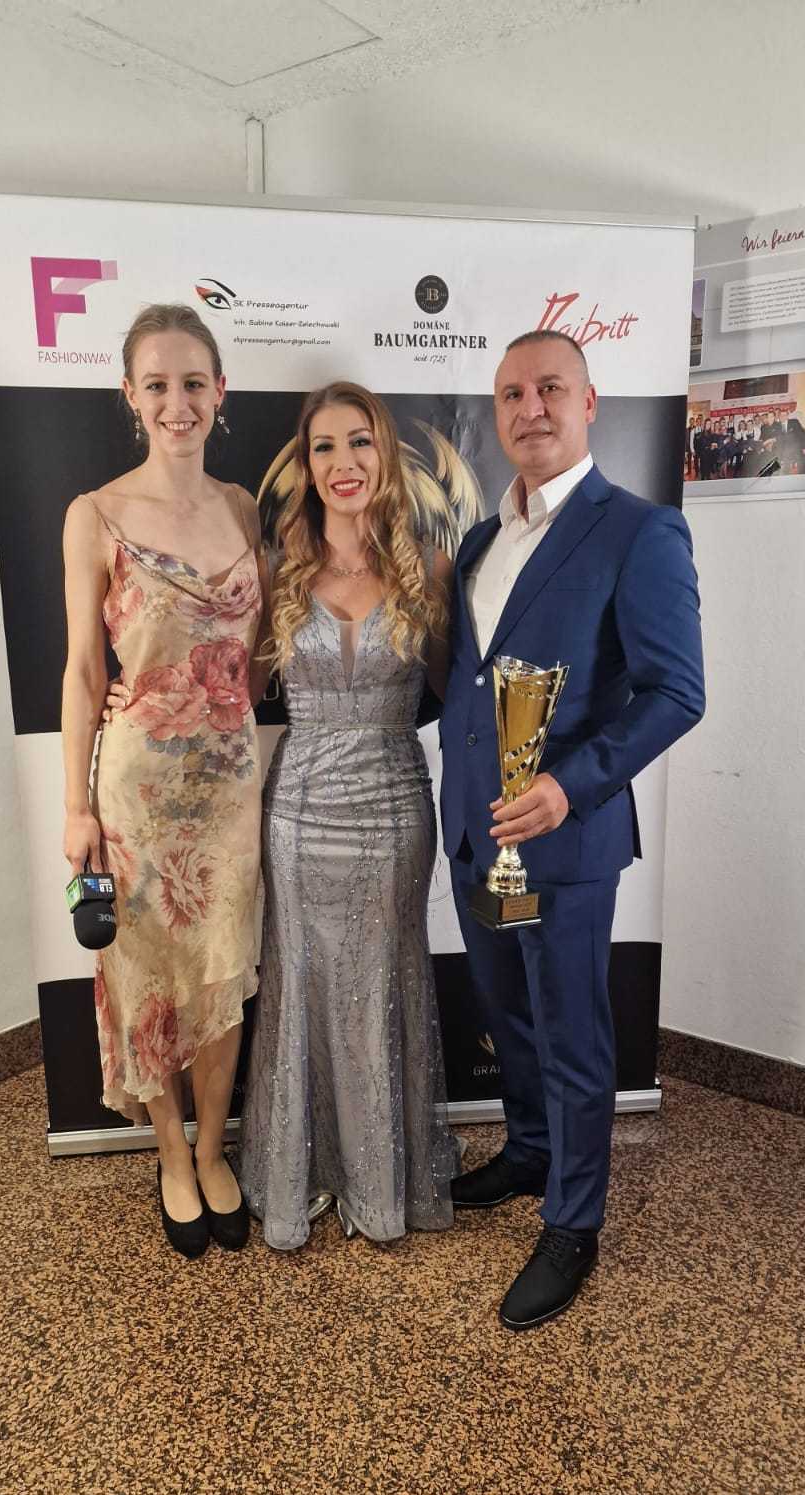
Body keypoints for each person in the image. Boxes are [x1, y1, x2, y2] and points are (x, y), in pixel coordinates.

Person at [440, 330, 704, 1330]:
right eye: (512, 393)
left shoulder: (639, 532)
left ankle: (573, 1223)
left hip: (566, 838)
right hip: (479, 833)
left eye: (551, 387)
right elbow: (465, 685)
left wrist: (569, 786)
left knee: (573, 1033)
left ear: (589, 403)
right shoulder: (478, 541)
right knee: (508, 1013)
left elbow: (677, 692)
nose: (530, 408)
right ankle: (530, 1150)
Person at [61, 302, 265, 1260]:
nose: (176, 403)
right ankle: (172, 1157)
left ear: (219, 392)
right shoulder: (94, 515)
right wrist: (74, 806)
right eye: (157, 385)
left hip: (231, 790)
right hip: (136, 794)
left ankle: (215, 1149)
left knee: (222, 968)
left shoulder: (244, 508)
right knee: (147, 982)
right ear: (130, 397)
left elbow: (260, 650)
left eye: (193, 383)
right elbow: (82, 670)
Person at [235, 381, 459, 1250]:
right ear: (305, 463)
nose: (343, 463)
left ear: (384, 452)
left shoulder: (429, 569)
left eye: (358, 441)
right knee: (300, 984)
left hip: (397, 807)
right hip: (298, 812)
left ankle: (383, 1177)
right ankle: (304, 1172)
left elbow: (457, 695)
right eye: (323, 446)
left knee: (386, 983)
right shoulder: (276, 572)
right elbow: (236, 696)